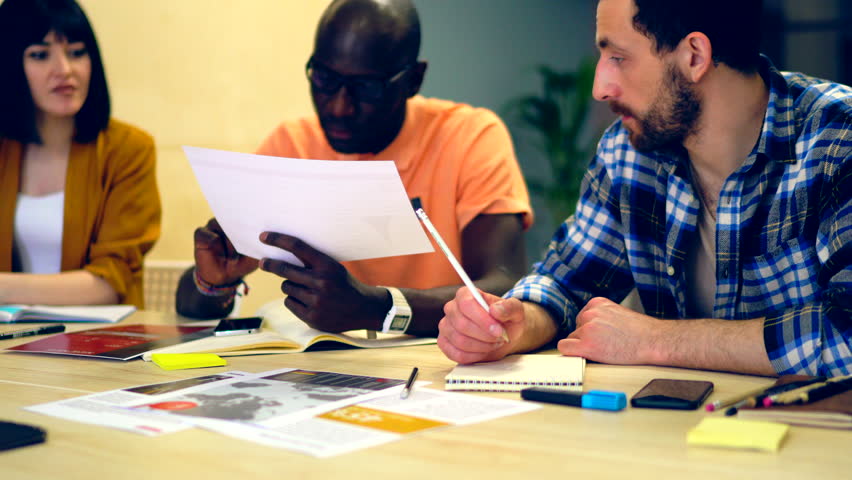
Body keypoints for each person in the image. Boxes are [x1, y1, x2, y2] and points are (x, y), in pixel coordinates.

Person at [438, 0, 851, 376]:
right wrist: (517, 322)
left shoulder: (838, 138)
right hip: (673, 434)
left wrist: (653, 340)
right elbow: (568, 281)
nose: (600, 86)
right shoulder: (629, 150)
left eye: (618, 57)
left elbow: (846, 333)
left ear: (694, 56)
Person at [175, 0, 532, 337]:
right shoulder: (291, 145)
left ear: (413, 80)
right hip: (323, 368)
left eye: (367, 88)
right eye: (325, 80)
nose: (340, 107)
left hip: (440, 365)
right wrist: (214, 281)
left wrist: (375, 307)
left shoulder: (470, 137)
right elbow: (190, 307)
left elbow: (504, 285)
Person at [0, 0, 161, 309]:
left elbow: (110, 282)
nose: (64, 70)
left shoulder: (129, 149)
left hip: (98, 346)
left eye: (76, 52)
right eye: (40, 55)